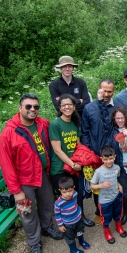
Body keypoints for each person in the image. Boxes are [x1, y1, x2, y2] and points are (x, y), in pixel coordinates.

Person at [0, 93, 63, 253]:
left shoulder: (42, 124)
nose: (32, 109)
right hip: (24, 181)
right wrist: (16, 191)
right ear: (20, 108)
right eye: (28, 106)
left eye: (35, 107)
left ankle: (47, 227)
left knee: (48, 202)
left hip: (42, 174)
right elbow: (6, 165)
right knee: (27, 213)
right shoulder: (9, 133)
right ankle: (34, 243)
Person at [99, 86, 127, 225]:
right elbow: (109, 145)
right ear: (114, 118)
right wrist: (101, 101)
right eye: (117, 118)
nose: (119, 120)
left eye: (122, 117)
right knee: (124, 192)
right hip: (119, 167)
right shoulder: (112, 132)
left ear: (126, 117)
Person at [48, 94, 95, 227]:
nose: (67, 107)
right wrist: (72, 164)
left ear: (74, 107)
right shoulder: (55, 125)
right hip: (60, 169)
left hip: (74, 167)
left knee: (77, 195)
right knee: (65, 199)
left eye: (70, 104)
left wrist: (84, 159)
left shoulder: (74, 124)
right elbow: (57, 150)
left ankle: (81, 218)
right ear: (60, 107)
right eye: (64, 105)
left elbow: (78, 145)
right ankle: (66, 225)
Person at [81, 79, 116, 220]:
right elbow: (85, 132)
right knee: (98, 184)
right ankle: (99, 210)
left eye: (109, 91)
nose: (106, 94)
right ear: (98, 89)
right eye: (104, 91)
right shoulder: (89, 108)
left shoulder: (116, 107)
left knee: (112, 182)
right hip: (95, 154)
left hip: (112, 154)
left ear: (113, 91)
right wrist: (90, 152)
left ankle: (114, 209)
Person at [90, 145, 127, 244]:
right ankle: (107, 232)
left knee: (118, 213)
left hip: (116, 196)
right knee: (106, 217)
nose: (108, 161)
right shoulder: (98, 172)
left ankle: (118, 227)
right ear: (101, 158)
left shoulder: (117, 167)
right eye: (105, 159)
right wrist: (101, 185)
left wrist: (120, 186)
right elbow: (92, 186)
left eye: (111, 158)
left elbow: (116, 178)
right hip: (105, 200)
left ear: (114, 157)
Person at [54, 176, 90, 253]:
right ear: (60, 190)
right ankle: (73, 249)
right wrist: (60, 225)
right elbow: (57, 215)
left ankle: (82, 241)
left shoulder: (75, 194)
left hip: (77, 219)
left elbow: (76, 204)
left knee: (80, 231)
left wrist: (79, 212)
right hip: (67, 224)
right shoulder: (58, 203)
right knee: (69, 237)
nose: (67, 194)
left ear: (73, 188)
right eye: (64, 192)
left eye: (70, 191)